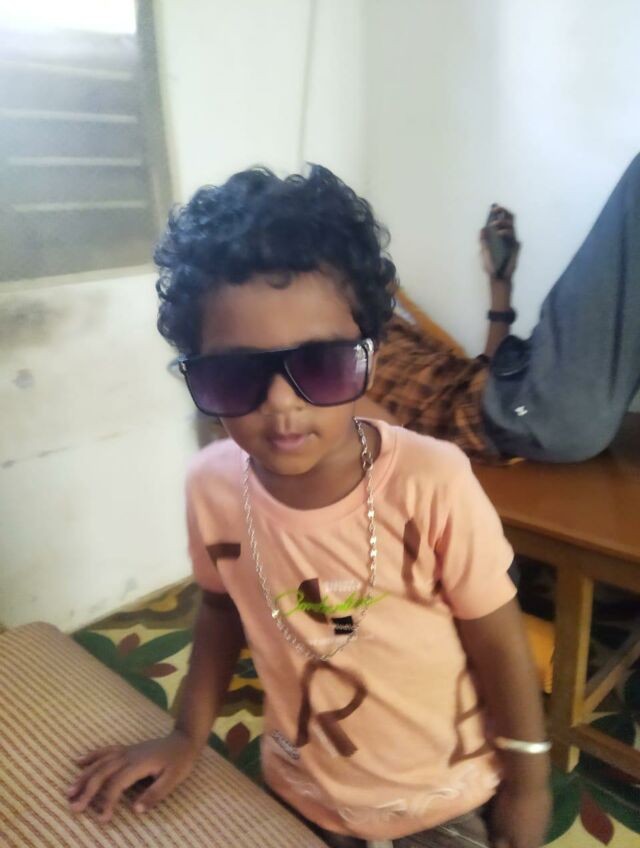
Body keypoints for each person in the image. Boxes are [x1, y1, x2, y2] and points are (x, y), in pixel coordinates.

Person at [68, 165, 552, 848]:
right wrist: (185, 733)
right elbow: (220, 609)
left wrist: (529, 787)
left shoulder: (434, 481)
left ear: (370, 355)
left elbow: (499, 641)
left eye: (321, 363)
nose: (280, 403)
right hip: (301, 788)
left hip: (443, 800)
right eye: (235, 374)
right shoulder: (212, 486)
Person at [361, 154, 640, 463]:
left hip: (523, 401)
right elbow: (379, 437)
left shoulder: (385, 323)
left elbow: (483, 378)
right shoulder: (334, 355)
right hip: (539, 414)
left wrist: (500, 281)